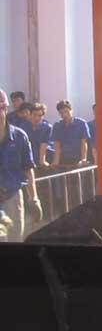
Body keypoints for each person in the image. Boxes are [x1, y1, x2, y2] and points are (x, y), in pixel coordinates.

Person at [0, 89, 43, 241]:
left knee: (14, 240)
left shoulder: (19, 137)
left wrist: (34, 199)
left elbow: (28, 169)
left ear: (5, 108)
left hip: (12, 197)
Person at [51, 100, 90, 167]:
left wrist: (83, 159)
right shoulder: (57, 126)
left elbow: (84, 143)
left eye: (66, 111)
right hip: (63, 159)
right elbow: (57, 145)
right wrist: (56, 161)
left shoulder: (81, 123)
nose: (64, 115)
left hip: (78, 159)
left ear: (71, 110)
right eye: (61, 113)